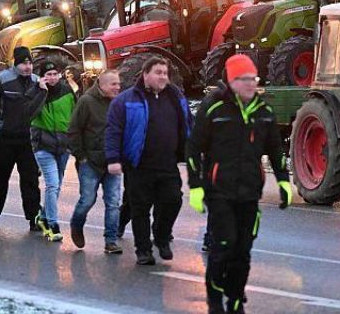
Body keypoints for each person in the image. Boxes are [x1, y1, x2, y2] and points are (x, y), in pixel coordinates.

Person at [186, 54, 292, 314]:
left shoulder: (263, 112)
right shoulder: (214, 108)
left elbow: (276, 150)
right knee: (224, 246)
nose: (250, 84)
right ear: (232, 81)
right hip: (219, 190)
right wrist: (196, 186)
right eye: (243, 79)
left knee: (242, 251)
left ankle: (234, 300)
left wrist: (284, 182)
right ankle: (214, 296)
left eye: (253, 78)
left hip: (249, 192)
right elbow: (193, 148)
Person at [105, 56, 191, 266]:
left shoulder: (175, 97)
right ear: (145, 75)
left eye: (165, 73)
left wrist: (193, 151)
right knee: (140, 209)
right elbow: (113, 131)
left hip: (168, 163)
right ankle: (143, 250)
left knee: (173, 200)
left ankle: (161, 237)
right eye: (158, 73)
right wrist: (113, 159)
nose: (163, 77)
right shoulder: (126, 100)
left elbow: (189, 124)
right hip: (139, 165)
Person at [0, 46, 46, 232]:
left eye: (29, 63)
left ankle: (34, 217)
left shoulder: (36, 82)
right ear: (15, 63)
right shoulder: (2, 79)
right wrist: (3, 125)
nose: (27, 67)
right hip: (2, 140)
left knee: (30, 179)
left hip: (27, 140)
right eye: (23, 63)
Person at [68, 69, 124, 254]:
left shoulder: (119, 103)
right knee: (87, 200)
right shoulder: (86, 102)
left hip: (112, 162)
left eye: (118, 83)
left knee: (113, 202)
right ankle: (76, 224)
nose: (117, 87)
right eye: (113, 84)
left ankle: (111, 241)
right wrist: (81, 156)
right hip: (90, 162)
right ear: (102, 85)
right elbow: (74, 129)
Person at [31, 60, 76, 242]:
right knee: (52, 184)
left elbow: (75, 115)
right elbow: (31, 114)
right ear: (42, 77)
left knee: (56, 185)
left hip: (63, 147)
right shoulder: (36, 92)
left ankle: (42, 217)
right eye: (47, 75)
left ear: (60, 74)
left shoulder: (67, 92)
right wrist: (42, 92)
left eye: (54, 74)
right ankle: (52, 224)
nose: (51, 77)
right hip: (43, 146)